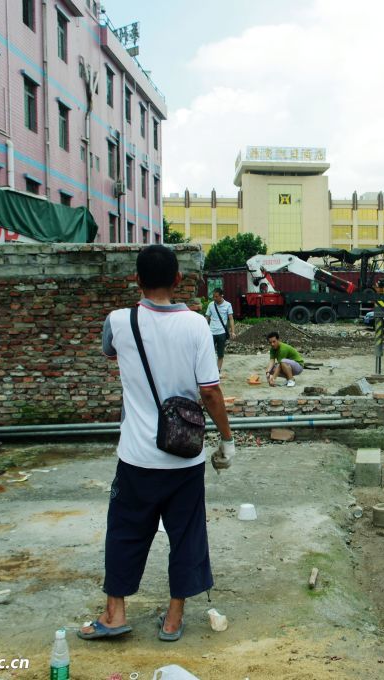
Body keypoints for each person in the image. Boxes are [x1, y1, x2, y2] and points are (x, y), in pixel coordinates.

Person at [79, 244, 235, 644]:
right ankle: (172, 618)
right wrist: (227, 440)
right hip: (185, 456)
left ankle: (114, 615)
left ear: (137, 280)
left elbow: (109, 351)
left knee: (125, 532)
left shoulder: (118, 321)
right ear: (179, 280)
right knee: (186, 534)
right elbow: (211, 392)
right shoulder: (198, 325)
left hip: (136, 457)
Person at [204, 288, 236, 372]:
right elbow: (206, 318)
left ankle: (217, 371)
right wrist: (203, 329)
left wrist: (233, 332)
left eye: (216, 296)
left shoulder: (228, 305)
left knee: (220, 354)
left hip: (222, 333)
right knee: (208, 352)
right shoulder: (211, 305)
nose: (214, 298)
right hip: (211, 332)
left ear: (221, 296)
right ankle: (208, 370)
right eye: (213, 296)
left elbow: (231, 319)